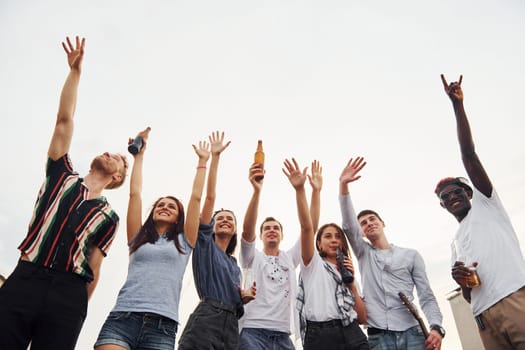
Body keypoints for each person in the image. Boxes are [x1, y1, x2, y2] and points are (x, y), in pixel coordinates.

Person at [0, 36, 128, 350]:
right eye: (111, 151)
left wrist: (74, 310)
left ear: (118, 177)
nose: (111, 153)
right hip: (26, 277)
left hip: (69, 293)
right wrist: (75, 72)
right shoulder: (61, 174)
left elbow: (95, 270)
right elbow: (63, 121)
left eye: (120, 160)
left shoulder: (109, 216)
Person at [94, 128, 210, 349]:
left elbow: (196, 198)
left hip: (162, 326)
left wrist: (203, 163)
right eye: (160, 205)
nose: (164, 207)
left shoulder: (186, 242)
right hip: (122, 318)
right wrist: (139, 158)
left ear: (179, 218)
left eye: (171, 206)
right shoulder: (137, 238)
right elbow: (135, 194)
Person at [437, 74, 525, 349]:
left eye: (457, 191)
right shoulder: (455, 244)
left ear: (470, 193)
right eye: (446, 196)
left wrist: (457, 106)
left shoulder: (487, 205)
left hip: (515, 299)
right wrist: (461, 282)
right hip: (483, 315)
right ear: (443, 205)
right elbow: (467, 294)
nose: (452, 197)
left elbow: (469, 155)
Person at [339, 157, 444, 350]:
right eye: (363, 223)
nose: (369, 223)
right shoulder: (364, 253)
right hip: (379, 335)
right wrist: (343, 186)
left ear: (382, 223)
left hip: (413, 332)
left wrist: (436, 327)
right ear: (361, 232)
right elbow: (347, 225)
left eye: (372, 219)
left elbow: (426, 295)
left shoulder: (411, 255)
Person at [178, 131, 254, 350]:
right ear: (210, 226)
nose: (225, 220)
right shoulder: (204, 243)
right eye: (219, 218)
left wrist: (244, 298)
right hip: (207, 318)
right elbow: (210, 198)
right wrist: (215, 158)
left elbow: (237, 298)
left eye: (230, 219)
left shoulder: (234, 265)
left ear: (235, 230)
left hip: (231, 324)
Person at [284, 158, 368, 350]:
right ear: (319, 244)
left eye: (338, 236)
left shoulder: (347, 271)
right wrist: (308, 191)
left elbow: (363, 317)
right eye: (328, 236)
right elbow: (307, 227)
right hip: (320, 336)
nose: (334, 240)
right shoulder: (312, 264)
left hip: (352, 332)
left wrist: (352, 285)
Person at [238, 159, 323, 349]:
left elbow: (310, 228)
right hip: (252, 331)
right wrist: (257, 191)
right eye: (266, 228)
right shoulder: (252, 257)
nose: (271, 230)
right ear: (260, 235)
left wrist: (315, 192)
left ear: (282, 235)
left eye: (276, 228)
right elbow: (247, 230)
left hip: (283, 335)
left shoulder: (288, 258)